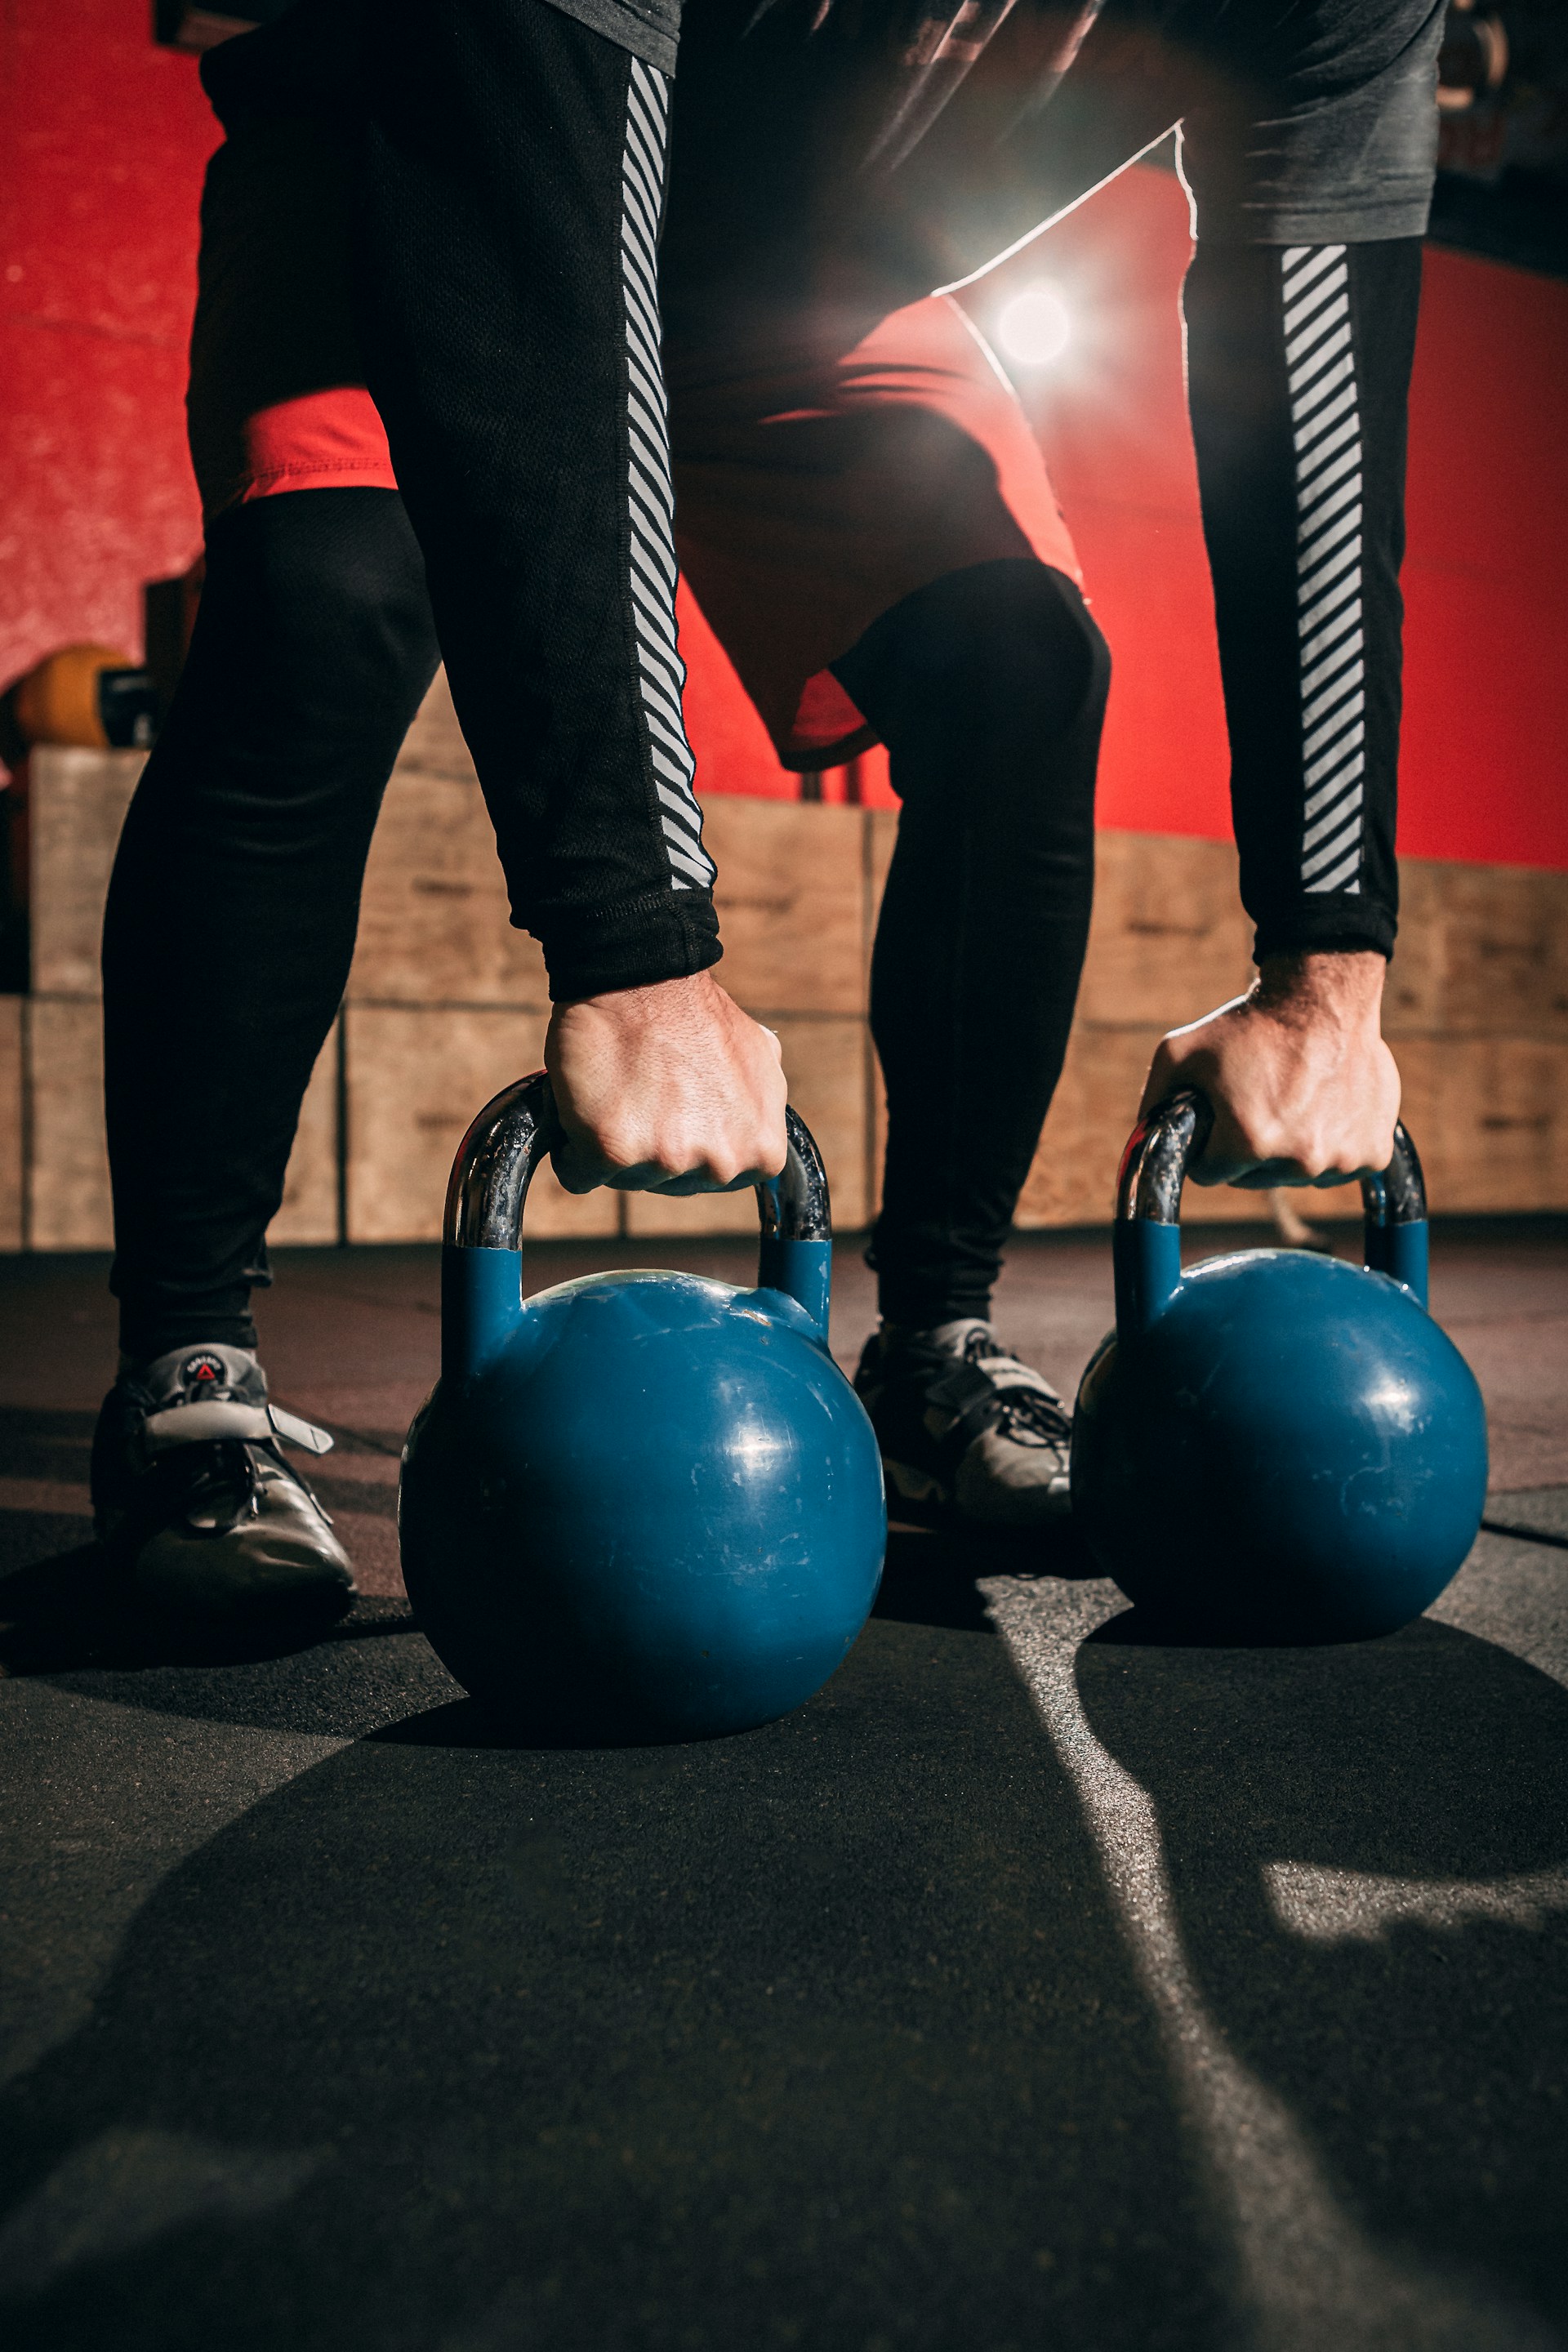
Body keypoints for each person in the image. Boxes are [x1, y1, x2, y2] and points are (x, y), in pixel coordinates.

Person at [93, 0, 1437, 1614]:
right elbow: (528, 182)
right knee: (328, 600)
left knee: (1017, 661)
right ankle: (188, 1373)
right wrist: (634, 939)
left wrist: (1329, 963)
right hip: (435, 140)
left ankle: (934, 1343)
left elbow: (1321, 415)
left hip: (799, 287)